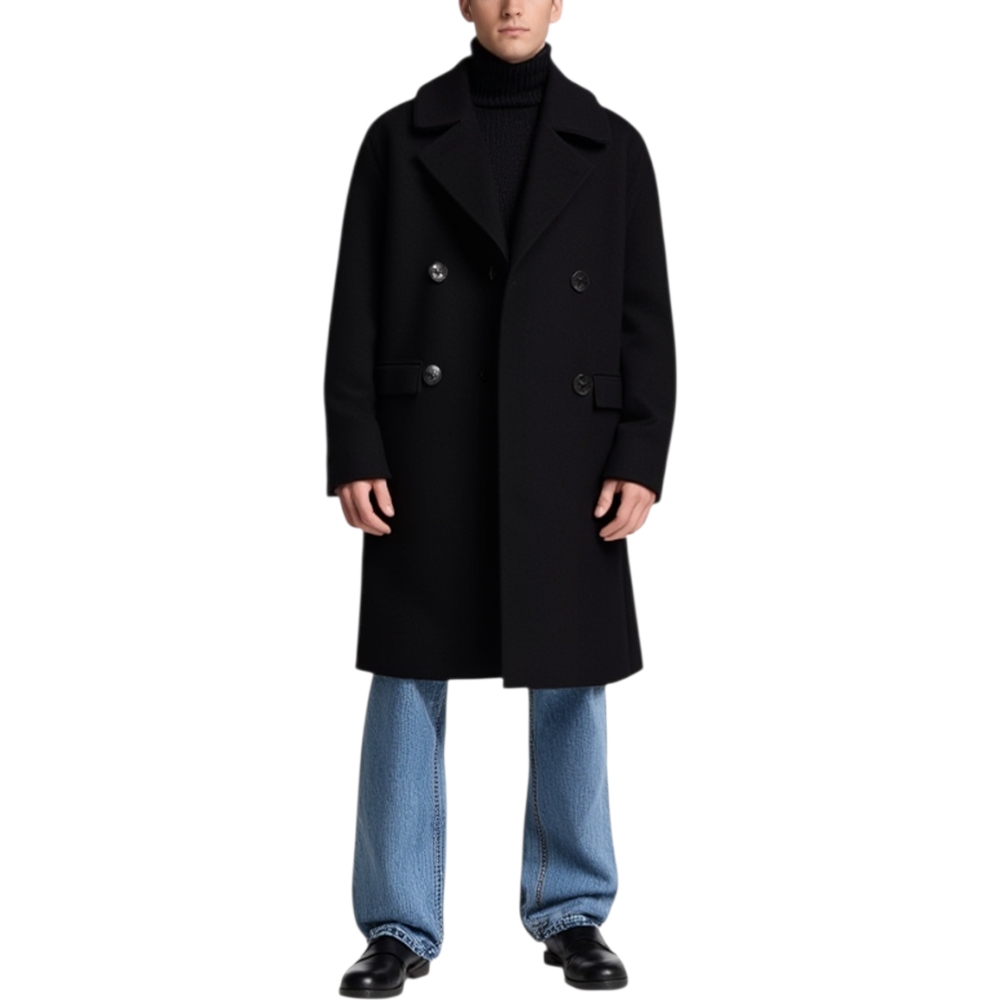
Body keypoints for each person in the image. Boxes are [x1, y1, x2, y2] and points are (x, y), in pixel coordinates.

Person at [324, 1, 676, 993]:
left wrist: (640, 451)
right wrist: (356, 444)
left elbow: (644, 314)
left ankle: (573, 911)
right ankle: (396, 924)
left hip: (567, 451)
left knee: (572, 679)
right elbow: (356, 303)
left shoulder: (612, 146)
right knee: (407, 679)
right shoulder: (398, 139)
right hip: (427, 446)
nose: (512, 4)